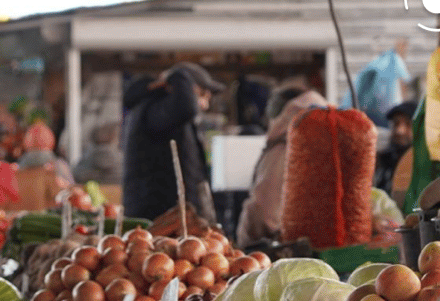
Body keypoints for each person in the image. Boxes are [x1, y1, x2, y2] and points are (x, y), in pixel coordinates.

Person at [121, 62, 221, 223]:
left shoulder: (159, 111)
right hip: (160, 216)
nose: (205, 105)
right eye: (202, 94)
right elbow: (187, 107)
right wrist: (179, 76)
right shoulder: (156, 109)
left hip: (169, 214)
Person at [236, 86, 325, 248]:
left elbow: (266, 211)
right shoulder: (329, 131)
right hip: (327, 243)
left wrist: (250, 236)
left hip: (287, 247)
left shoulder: (285, 144)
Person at [374, 100, 415, 196]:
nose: (399, 131)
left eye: (408, 124)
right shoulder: (382, 160)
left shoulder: (424, 165)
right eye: (396, 123)